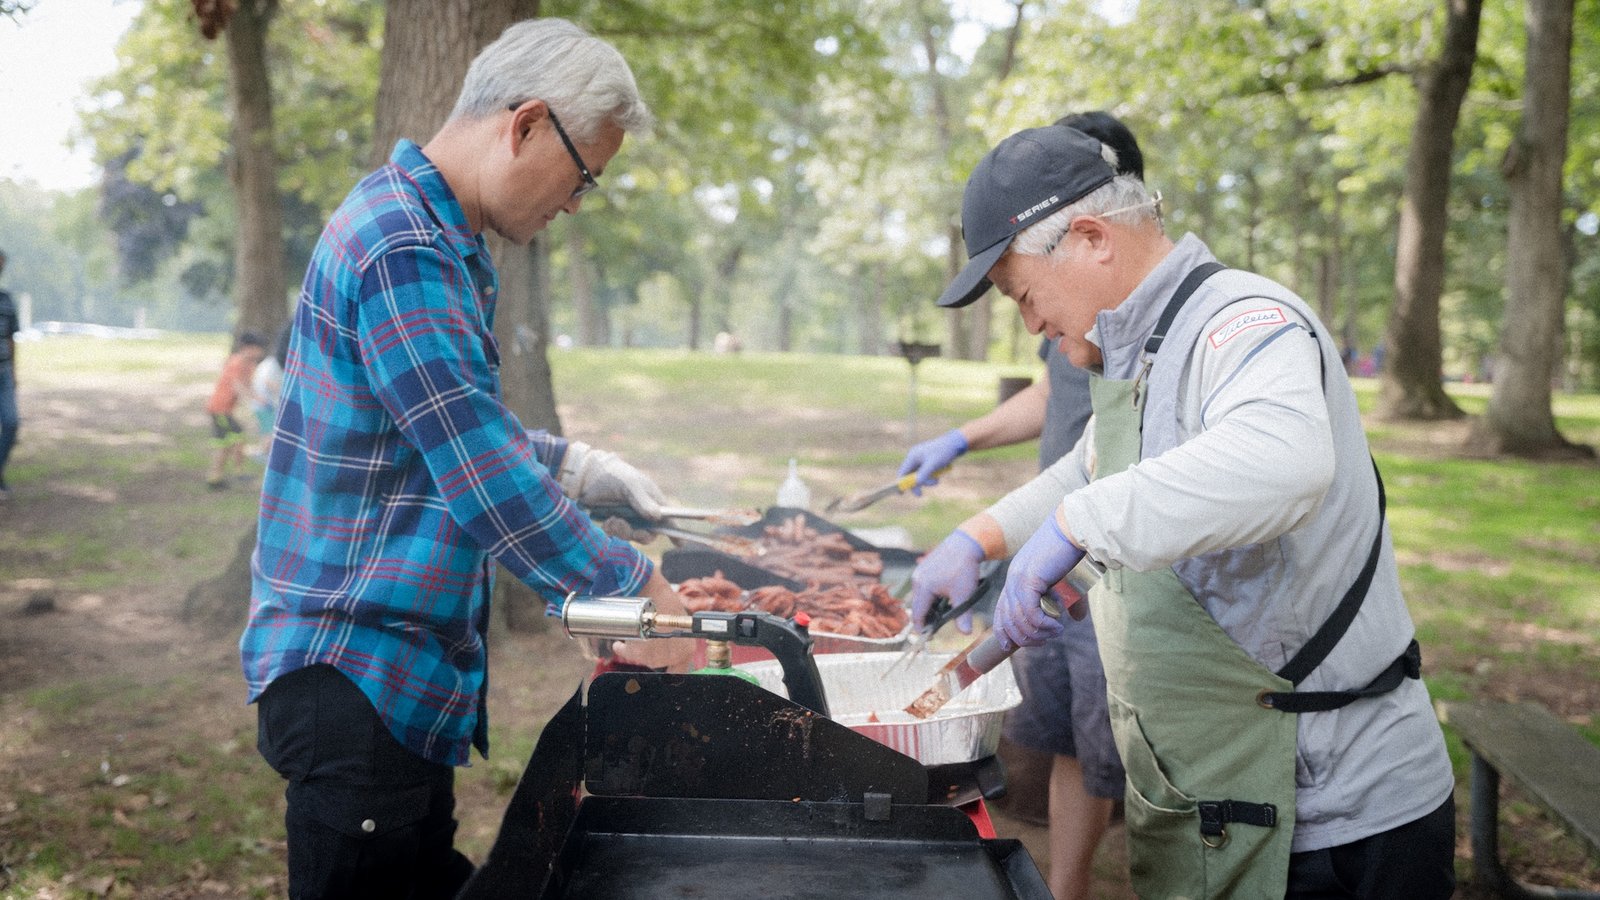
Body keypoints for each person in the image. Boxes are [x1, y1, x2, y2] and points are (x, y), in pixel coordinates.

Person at [935, 125, 1456, 898]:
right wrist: (978, 536)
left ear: (1090, 240)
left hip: (1338, 823)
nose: (1032, 324)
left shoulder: (1241, 321)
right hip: (1214, 797)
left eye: (1023, 295)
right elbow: (1084, 474)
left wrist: (1077, 528)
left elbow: (1284, 461)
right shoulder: (1142, 352)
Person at [239, 19, 693, 898]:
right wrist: (632, 588)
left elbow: (437, 423)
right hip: (354, 667)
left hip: (390, 673)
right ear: (526, 125)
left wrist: (574, 466)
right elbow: (478, 468)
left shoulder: (431, 235)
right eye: (583, 176)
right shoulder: (404, 245)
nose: (575, 204)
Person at [901, 111, 1141, 900]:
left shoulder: (1152, 334)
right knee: (1062, 737)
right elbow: (1066, 424)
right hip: (1055, 544)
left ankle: (1075, 883)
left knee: (1108, 749)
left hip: (1107, 565)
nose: (1037, 322)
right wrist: (963, 451)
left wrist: (1057, 540)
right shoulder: (1069, 311)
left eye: (1027, 297)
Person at [204, 330, 266, 489]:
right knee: (232, 440)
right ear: (247, 348)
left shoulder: (249, 365)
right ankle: (223, 476)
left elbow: (249, 385)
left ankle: (219, 477)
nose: (259, 352)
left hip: (226, 410)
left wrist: (259, 399)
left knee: (229, 443)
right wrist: (252, 402)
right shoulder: (236, 362)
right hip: (219, 409)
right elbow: (237, 385)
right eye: (257, 348)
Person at [247, 324, 290, 458]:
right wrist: (283, 391)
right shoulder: (273, 364)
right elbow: (267, 381)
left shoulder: (268, 362)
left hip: (263, 403)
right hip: (264, 404)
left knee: (268, 430)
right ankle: (263, 455)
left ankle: (264, 454)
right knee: (269, 432)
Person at [0, 249, 17, 500]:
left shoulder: (6, 300)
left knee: (12, 422)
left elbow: (12, 338)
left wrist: (14, 372)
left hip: (4, 371)